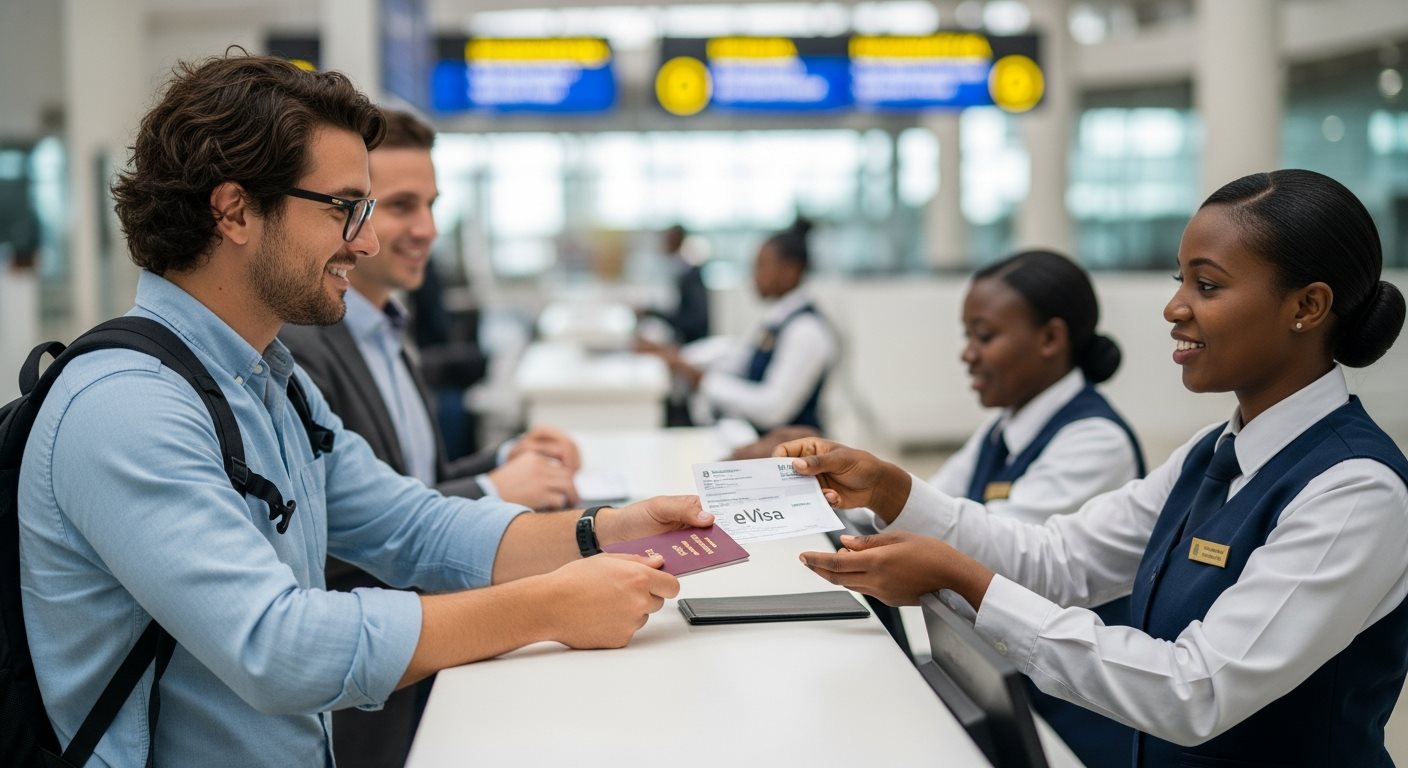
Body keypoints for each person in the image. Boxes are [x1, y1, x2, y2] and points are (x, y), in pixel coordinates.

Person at [18, 53, 709, 768]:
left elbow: (414, 527)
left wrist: (612, 530)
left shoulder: (270, 382)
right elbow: (277, 646)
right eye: (346, 209)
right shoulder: (126, 407)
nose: (368, 241)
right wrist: (547, 607)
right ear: (234, 211)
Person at [787, 169, 1408, 767]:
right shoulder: (1212, 453)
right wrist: (892, 490)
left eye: (1207, 286)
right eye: (1179, 281)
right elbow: (1059, 561)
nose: (1174, 308)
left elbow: (1196, 690)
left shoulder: (1355, 489)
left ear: (1308, 306)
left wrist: (971, 583)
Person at [278, 108, 582, 767]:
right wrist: (495, 491)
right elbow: (334, 541)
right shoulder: (295, 357)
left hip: (421, 668)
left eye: (432, 206)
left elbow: (403, 489)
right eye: (397, 207)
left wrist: (504, 461)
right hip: (363, 705)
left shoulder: (389, 326)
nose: (426, 230)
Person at [924, 249, 1144, 768]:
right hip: (1001, 681)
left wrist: (883, 496)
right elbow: (930, 502)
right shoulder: (1004, 426)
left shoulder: (1095, 440)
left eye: (985, 336)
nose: (967, 354)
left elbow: (1009, 559)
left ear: (1050, 338)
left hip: (1066, 713)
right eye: (967, 336)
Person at [641, 218, 837, 433]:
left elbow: (772, 408)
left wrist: (703, 380)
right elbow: (739, 357)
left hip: (788, 454)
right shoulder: (778, 320)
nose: (753, 276)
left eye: (762, 266)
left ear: (791, 270)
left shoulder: (806, 331)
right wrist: (680, 359)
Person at [639, 224, 710, 345]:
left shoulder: (688, 273)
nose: (664, 243)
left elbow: (692, 320)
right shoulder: (672, 269)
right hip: (675, 333)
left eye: (668, 239)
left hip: (688, 341)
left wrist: (654, 313)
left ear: (677, 241)